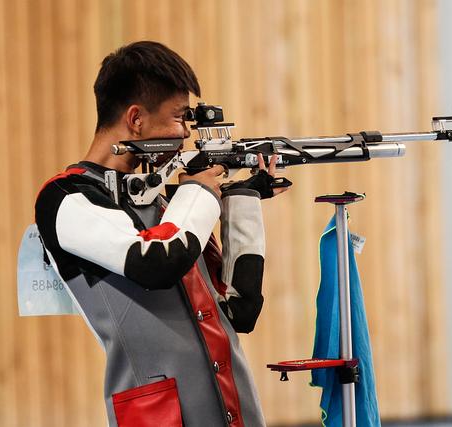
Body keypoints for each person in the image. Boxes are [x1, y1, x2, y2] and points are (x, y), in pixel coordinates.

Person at [35, 41, 287, 427]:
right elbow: (156, 262)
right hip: (159, 417)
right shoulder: (65, 197)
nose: (185, 133)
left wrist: (241, 199)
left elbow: (241, 310)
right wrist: (201, 191)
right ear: (136, 119)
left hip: (234, 406)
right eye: (179, 117)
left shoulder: (167, 205)